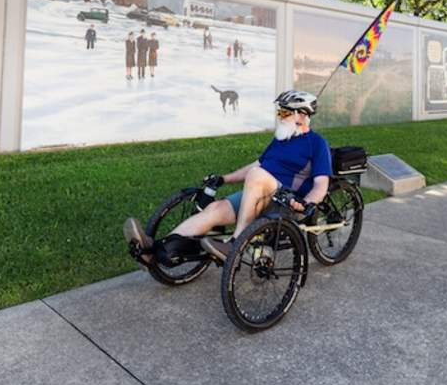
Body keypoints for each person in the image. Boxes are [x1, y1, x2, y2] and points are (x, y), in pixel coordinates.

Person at [123, 90, 332, 265]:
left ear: (302, 116)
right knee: (214, 210)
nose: (280, 116)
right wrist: (224, 178)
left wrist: (307, 204)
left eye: (285, 112)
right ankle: (156, 249)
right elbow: (257, 166)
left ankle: (236, 243)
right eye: (279, 111)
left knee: (257, 175)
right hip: (258, 192)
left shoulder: (316, 143)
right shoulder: (282, 139)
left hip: (286, 201)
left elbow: (321, 184)